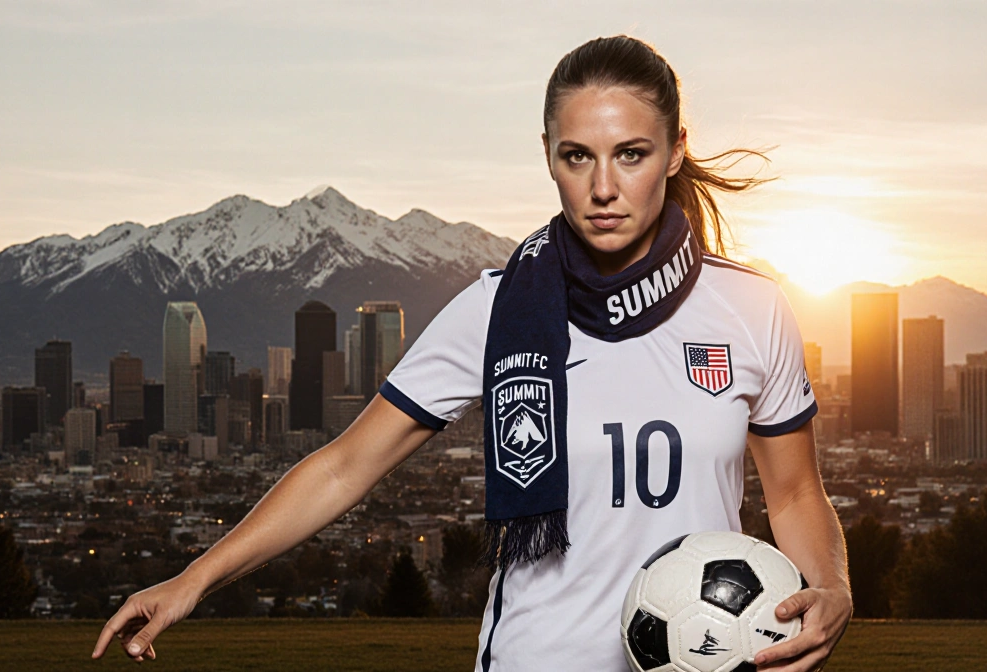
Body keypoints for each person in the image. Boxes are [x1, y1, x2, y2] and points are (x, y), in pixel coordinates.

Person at [92, 35, 851, 672]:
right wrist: (194, 579)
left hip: (705, 660)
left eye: (632, 153)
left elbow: (793, 496)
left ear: (677, 152)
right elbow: (343, 466)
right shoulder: (496, 308)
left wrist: (834, 588)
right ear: (547, 155)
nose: (603, 187)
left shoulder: (752, 308)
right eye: (577, 156)